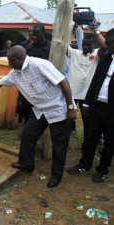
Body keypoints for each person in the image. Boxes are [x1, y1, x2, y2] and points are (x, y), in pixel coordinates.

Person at [0, 45, 76, 188]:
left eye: (10, 60)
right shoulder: (15, 72)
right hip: (40, 109)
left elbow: (63, 82)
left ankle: (56, 176)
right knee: (27, 134)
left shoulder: (39, 65)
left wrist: (70, 108)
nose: (8, 64)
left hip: (58, 108)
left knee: (59, 145)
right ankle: (27, 163)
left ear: (19, 58)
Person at [67, 28, 114, 183]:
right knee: (90, 137)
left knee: (109, 142)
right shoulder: (106, 58)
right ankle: (84, 164)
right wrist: (87, 103)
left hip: (112, 111)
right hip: (96, 106)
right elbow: (95, 82)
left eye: (110, 43)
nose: (107, 46)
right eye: (106, 43)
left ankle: (102, 169)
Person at [67, 23, 106, 135]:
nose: (85, 47)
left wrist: (96, 32)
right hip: (72, 94)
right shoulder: (74, 53)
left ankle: (87, 143)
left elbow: (104, 46)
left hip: (87, 96)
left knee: (88, 122)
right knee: (68, 119)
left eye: (88, 45)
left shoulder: (95, 55)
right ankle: (66, 138)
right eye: (83, 45)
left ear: (93, 46)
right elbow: (61, 45)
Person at [17, 23, 51, 124]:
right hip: (30, 85)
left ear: (44, 33)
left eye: (37, 34)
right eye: (33, 34)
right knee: (27, 109)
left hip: (45, 85)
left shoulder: (51, 47)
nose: (34, 36)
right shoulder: (28, 48)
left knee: (43, 111)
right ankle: (27, 129)